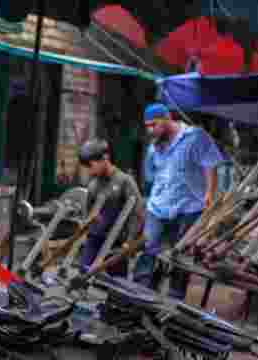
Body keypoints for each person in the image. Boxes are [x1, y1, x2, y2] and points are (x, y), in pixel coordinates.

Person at [134, 103, 226, 300]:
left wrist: (210, 193)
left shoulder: (195, 137)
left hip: (189, 206)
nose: (150, 130)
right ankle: (140, 291)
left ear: (167, 118)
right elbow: (151, 176)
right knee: (148, 247)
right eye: (147, 126)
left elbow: (210, 164)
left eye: (154, 124)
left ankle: (175, 296)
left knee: (181, 254)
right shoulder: (153, 147)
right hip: (158, 206)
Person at [77, 139, 145, 277]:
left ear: (105, 158)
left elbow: (137, 214)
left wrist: (129, 240)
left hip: (117, 243)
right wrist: (87, 223)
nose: (90, 170)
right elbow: (88, 213)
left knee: (114, 283)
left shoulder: (124, 181)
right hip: (95, 239)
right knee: (82, 276)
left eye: (91, 165)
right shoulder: (93, 185)